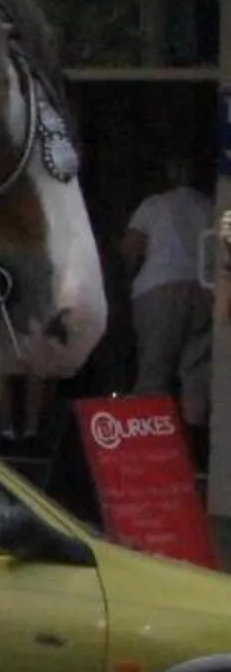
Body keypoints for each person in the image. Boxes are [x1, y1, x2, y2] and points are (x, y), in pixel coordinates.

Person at [124, 156, 216, 455]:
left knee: (154, 370)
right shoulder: (210, 205)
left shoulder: (153, 205)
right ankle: (196, 449)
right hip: (204, 291)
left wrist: (126, 279)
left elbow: (131, 248)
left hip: (159, 290)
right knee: (196, 372)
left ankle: (150, 449)